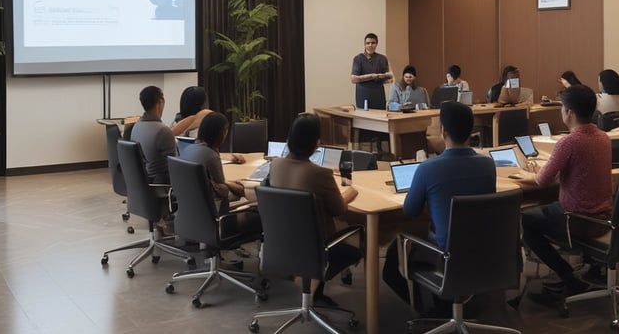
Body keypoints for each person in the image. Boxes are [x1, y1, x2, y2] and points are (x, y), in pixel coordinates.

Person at [382, 102, 496, 307]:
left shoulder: (428, 169)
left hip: (445, 252)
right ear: (471, 131)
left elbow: (411, 210)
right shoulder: (488, 165)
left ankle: (425, 308)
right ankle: (451, 303)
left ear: (443, 131)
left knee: (395, 251)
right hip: (483, 249)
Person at [512, 84, 612, 303]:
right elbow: (580, 171)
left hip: (575, 219)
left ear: (569, 113)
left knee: (524, 221)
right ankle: (574, 274)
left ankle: (567, 277)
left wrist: (521, 175)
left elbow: (541, 181)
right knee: (537, 214)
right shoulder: (603, 138)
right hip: (603, 218)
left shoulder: (569, 142)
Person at [268, 113, 360, 306]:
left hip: (280, 245)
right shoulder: (320, 174)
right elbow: (339, 209)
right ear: (317, 143)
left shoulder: (275, 165)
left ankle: (313, 295)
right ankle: (315, 295)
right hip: (318, 251)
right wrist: (351, 191)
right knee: (359, 232)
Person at [180, 112, 247, 204]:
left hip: (191, 203)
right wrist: (229, 184)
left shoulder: (188, 149)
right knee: (249, 194)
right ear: (222, 132)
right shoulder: (211, 156)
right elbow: (223, 191)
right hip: (213, 204)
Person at [129, 85, 176, 184]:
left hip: (145, 182)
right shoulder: (163, 130)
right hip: (162, 184)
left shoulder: (136, 126)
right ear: (160, 102)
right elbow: (174, 166)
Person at [351, 32, 394, 109]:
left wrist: (381, 76)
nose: (370, 45)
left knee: (380, 117)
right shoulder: (358, 58)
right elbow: (354, 79)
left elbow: (390, 76)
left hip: (378, 96)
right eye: (368, 43)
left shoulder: (382, 58)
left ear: (376, 44)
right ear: (364, 44)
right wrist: (372, 76)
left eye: (373, 43)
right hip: (363, 95)